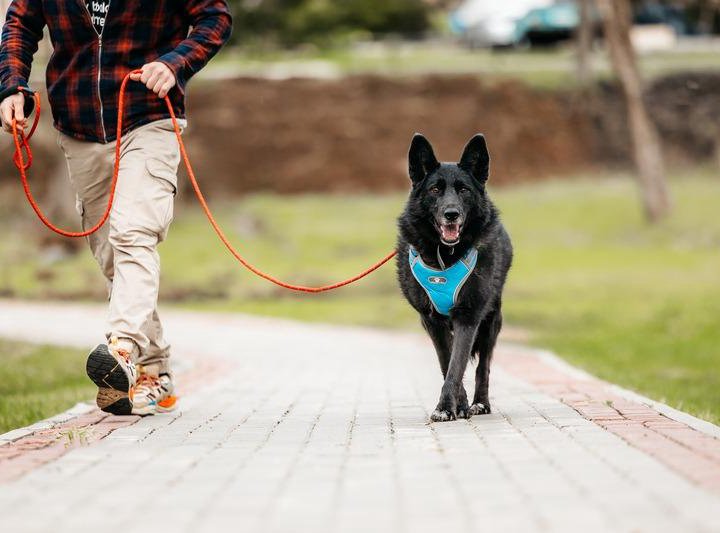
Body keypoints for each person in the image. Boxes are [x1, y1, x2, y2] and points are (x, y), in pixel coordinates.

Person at [0, 1, 232, 416]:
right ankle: (154, 372)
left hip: (149, 119)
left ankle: (121, 348)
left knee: (133, 234)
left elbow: (214, 17)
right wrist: (13, 85)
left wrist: (175, 63)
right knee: (112, 256)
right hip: (78, 127)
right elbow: (20, 23)